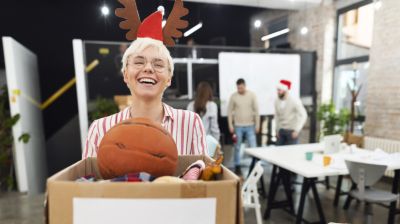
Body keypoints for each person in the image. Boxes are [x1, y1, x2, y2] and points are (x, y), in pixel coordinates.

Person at [83, 11, 207, 158]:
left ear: (169, 78)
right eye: (139, 62)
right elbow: (88, 179)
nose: (148, 68)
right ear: (126, 75)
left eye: (158, 64)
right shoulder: (100, 130)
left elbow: (203, 177)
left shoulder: (190, 124)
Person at [227, 78, 260, 173]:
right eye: (238, 88)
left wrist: (257, 125)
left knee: (253, 146)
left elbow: (257, 111)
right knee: (237, 146)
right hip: (238, 126)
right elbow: (229, 111)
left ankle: (255, 165)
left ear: (245, 86)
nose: (239, 90)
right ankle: (237, 165)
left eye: (241, 88)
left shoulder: (252, 95)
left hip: (250, 126)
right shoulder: (233, 96)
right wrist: (230, 125)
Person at [274, 79, 307, 145]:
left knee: (292, 153)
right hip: (281, 131)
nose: (277, 92)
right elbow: (277, 116)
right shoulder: (276, 101)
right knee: (278, 153)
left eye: (279, 90)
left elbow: (304, 115)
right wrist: (277, 130)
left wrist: (297, 130)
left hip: (292, 132)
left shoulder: (294, 100)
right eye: (277, 90)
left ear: (285, 90)